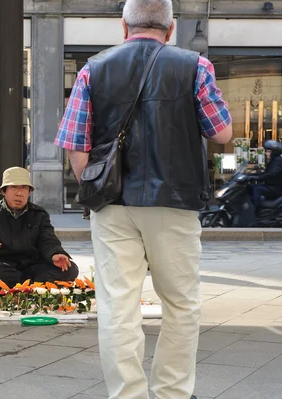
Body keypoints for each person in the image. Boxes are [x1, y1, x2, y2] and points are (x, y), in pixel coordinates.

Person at [54, 1, 233, 398]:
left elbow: (75, 145)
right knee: (181, 305)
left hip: (113, 204)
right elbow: (221, 133)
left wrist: (94, 185)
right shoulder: (194, 66)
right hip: (174, 200)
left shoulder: (92, 69)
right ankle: (171, 392)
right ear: (170, 30)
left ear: (124, 26)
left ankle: (128, 394)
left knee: (118, 307)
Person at [0, 167, 79, 287]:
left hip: (33, 267)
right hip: (2, 267)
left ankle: (24, 285)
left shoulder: (39, 214)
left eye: (24, 188)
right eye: (14, 187)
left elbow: (48, 240)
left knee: (70, 269)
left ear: (29, 192)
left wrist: (55, 254)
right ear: (4, 191)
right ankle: (32, 286)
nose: (19, 193)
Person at [246, 140, 282, 210]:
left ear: (274, 152)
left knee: (256, 189)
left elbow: (271, 174)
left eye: (268, 151)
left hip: (276, 188)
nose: (266, 153)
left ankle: (256, 211)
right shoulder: (273, 160)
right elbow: (266, 173)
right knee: (249, 187)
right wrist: (249, 175)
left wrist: (257, 178)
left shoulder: (278, 161)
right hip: (270, 186)